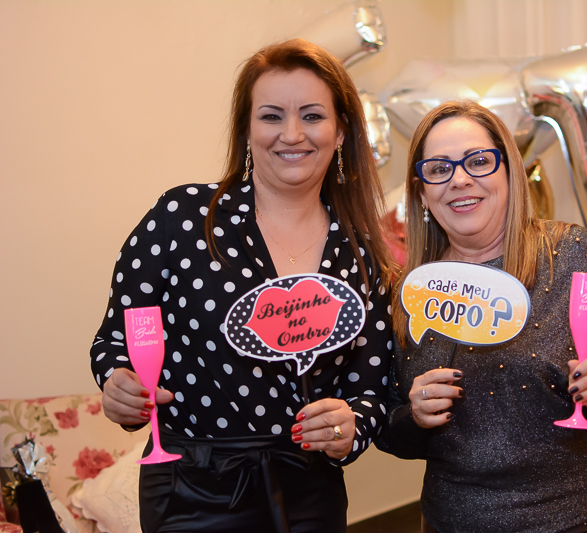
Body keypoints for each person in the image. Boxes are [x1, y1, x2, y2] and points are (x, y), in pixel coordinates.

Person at [90, 39, 395, 533]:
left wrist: (350, 427)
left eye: (312, 116)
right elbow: (115, 342)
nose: (292, 134)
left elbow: (372, 391)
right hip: (191, 489)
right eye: (272, 116)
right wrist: (118, 385)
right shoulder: (182, 218)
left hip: (309, 492)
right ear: (246, 130)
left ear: (341, 131)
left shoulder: (362, 255)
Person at [376, 100, 587, 533]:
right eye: (438, 169)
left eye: (478, 161)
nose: (459, 179)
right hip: (448, 520)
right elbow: (386, 426)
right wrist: (413, 417)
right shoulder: (410, 291)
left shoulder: (571, 254)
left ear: (509, 173)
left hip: (571, 518)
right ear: (421, 192)